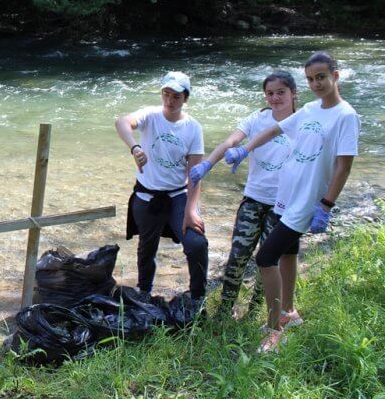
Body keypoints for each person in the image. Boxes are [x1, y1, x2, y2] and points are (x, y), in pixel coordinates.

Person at [224, 52, 359, 352]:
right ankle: (288, 313)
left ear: (336, 76)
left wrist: (325, 205)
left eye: (321, 77)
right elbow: (273, 130)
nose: (316, 83)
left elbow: (343, 167)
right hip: (286, 194)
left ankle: (274, 332)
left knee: (265, 258)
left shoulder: (346, 116)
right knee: (288, 254)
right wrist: (244, 150)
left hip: (305, 200)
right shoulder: (310, 109)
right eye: (310, 78)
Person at [189, 72, 297, 318]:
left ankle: (256, 309)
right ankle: (225, 310)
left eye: (281, 92)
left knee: (269, 260)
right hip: (254, 198)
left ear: (293, 93)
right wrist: (207, 165)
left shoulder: (302, 122)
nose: (275, 97)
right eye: (270, 93)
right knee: (238, 254)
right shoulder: (257, 118)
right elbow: (230, 141)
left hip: (283, 205)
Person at [115, 71, 208, 307]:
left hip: (178, 196)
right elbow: (122, 122)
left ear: (185, 98)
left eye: (176, 96)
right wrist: (135, 148)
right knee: (147, 247)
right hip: (147, 196)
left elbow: (195, 174)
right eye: (166, 94)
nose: (170, 100)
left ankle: (198, 296)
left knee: (197, 243)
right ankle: (144, 291)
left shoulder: (193, 127)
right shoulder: (151, 115)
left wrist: (191, 210)